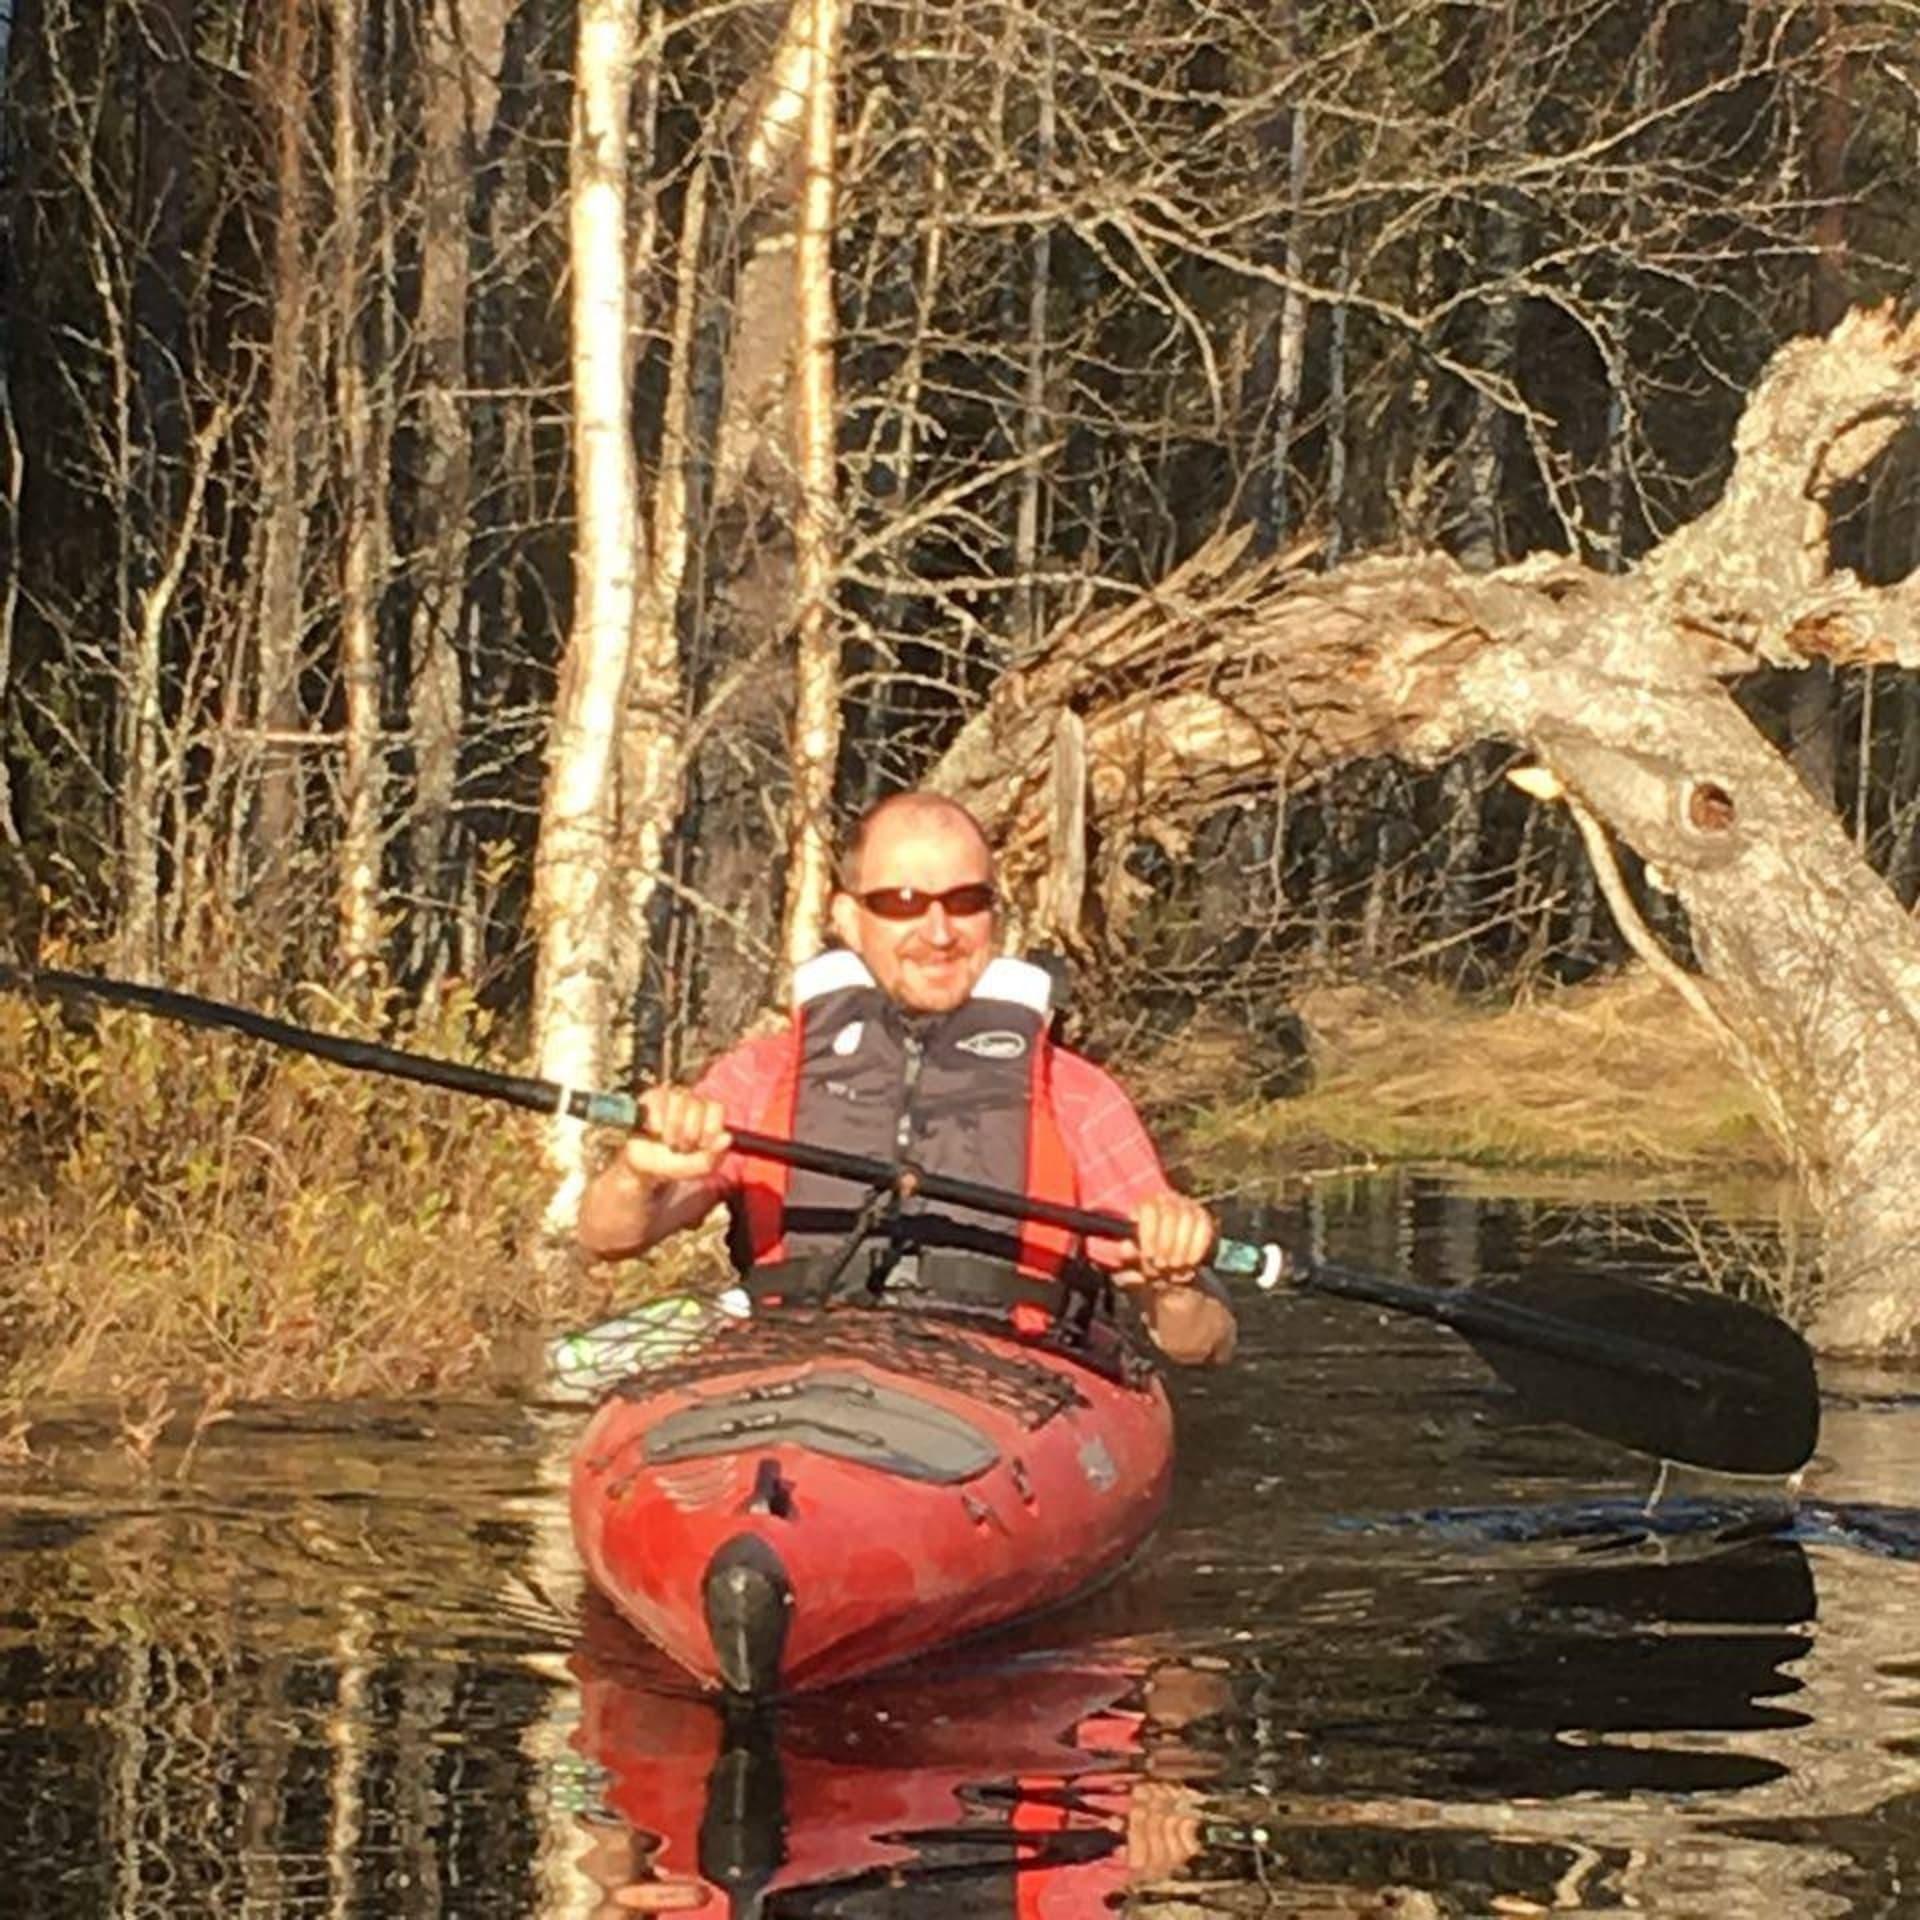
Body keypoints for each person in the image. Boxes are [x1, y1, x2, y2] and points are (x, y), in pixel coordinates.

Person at [577, 791, 1236, 1366]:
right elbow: (609, 1238)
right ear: (846, 917)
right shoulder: (760, 1077)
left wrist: (1175, 1281)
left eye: (967, 901)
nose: (939, 932)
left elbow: (1203, 1343)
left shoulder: (1077, 1095)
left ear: (993, 916)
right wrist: (639, 1175)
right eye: (902, 902)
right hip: (796, 1363)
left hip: (1008, 1385)